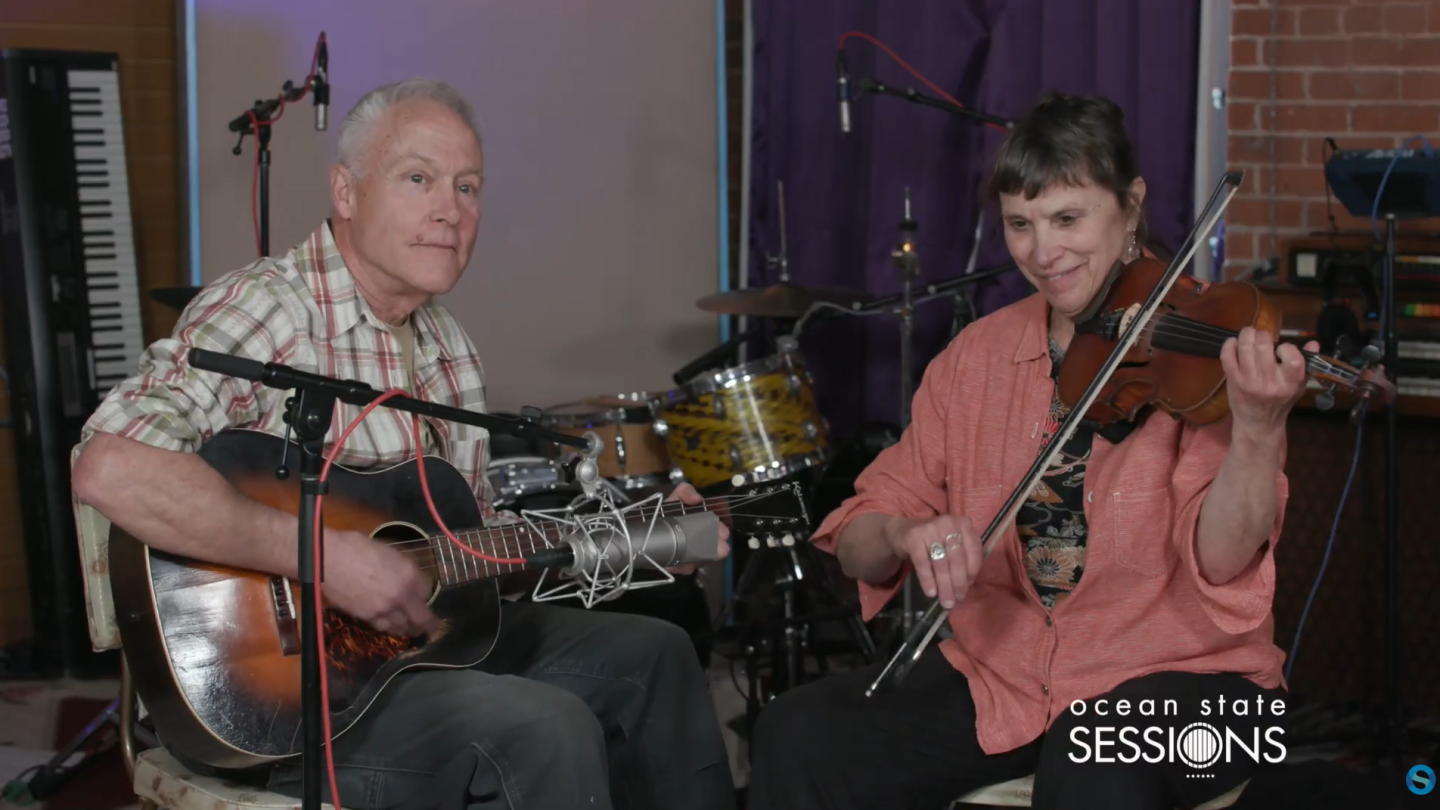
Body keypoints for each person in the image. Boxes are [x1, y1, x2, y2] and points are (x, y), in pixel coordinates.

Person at [70, 77, 736, 810]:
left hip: (417, 654)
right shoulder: (270, 310)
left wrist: (636, 542)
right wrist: (321, 556)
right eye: (418, 178)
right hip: (286, 697)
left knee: (657, 655)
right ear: (346, 193)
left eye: (469, 186)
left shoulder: (450, 347)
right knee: (544, 727)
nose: (450, 210)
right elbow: (111, 466)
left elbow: (468, 555)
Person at [745, 93, 1312, 810]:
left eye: (1068, 219)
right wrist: (901, 531)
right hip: (1006, 678)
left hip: (1212, 693)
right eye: (1020, 224)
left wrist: (1259, 427)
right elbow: (863, 531)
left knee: (1091, 764)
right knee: (799, 730)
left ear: (1131, 207)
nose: (1043, 253)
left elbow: (1226, 558)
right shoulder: (976, 358)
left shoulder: (1198, 362)